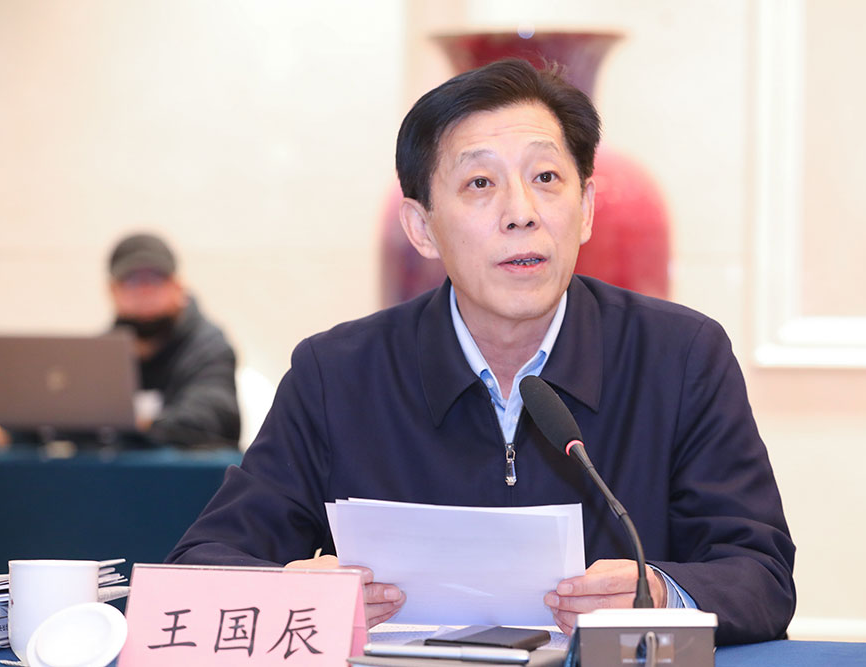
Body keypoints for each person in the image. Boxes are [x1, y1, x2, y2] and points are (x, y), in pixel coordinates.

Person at [167, 59, 794, 645]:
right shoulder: (337, 375)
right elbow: (201, 568)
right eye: (480, 183)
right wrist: (292, 593)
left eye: (546, 178)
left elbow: (760, 574)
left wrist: (658, 593)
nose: (521, 213)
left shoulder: (679, 358)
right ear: (421, 227)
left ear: (585, 209)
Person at [108, 232, 240, 448]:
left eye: (155, 279)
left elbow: (213, 416)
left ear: (178, 287)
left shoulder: (210, 347)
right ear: (113, 291)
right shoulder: (101, 356)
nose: (145, 291)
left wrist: (139, 426)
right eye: (132, 280)